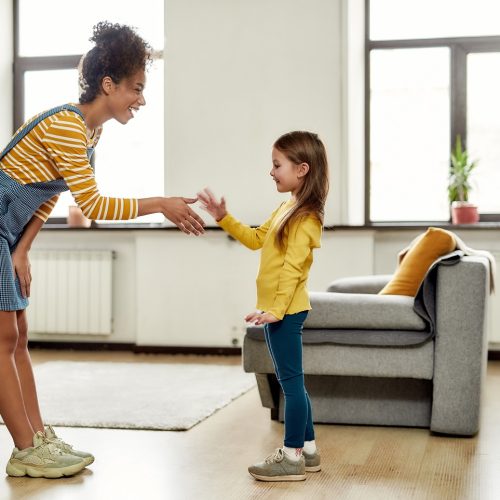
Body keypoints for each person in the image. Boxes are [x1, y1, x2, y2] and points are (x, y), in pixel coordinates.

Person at [0, 21, 204, 479]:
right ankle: (24, 449)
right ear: (108, 85)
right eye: (136, 88)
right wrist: (160, 204)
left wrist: (23, 249)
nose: (142, 99)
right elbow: (92, 204)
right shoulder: (68, 127)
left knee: (19, 335)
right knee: (3, 339)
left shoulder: (91, 134)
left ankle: (38, 436)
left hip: (7, 233)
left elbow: (52, 193)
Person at [198, 130, 329, 482]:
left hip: (285, 312)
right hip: (276, 310)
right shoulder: (288, 208)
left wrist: (278, 310)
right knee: (293, 384)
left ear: (302, 169)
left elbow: (293, 269)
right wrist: (223, 217)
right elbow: (257, 239)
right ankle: (310, 451)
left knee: (291, 384)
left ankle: (292, 457)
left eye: (277, 165)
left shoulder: (307, 217)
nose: (271, 172)